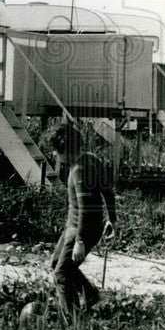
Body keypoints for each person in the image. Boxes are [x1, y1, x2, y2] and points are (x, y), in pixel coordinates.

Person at [48, 124, 117, 318]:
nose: (54, 154)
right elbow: (108, 192)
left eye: (55, 150)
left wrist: (79, 241)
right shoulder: (92, 159)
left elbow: (86, 207)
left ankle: (72, 320)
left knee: (61, 275)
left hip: (81, 229)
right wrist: (112, 219)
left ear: (66, 150)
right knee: (56, 264)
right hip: (78, 226)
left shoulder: (78, 171)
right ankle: (90, 294)